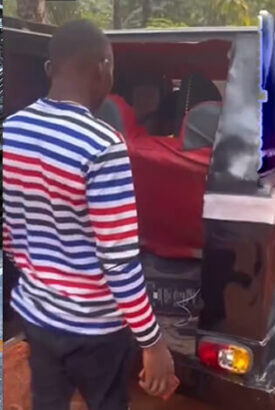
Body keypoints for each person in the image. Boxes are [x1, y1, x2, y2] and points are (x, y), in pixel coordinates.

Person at [2, 20, 175, 410]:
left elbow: (9, 233)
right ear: (104, 69)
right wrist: (152, 341)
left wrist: (44, 275)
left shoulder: (11, 131)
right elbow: (118, 263)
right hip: (96, 329)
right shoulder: (103, 146)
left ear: (49, 69)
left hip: (38, 315)